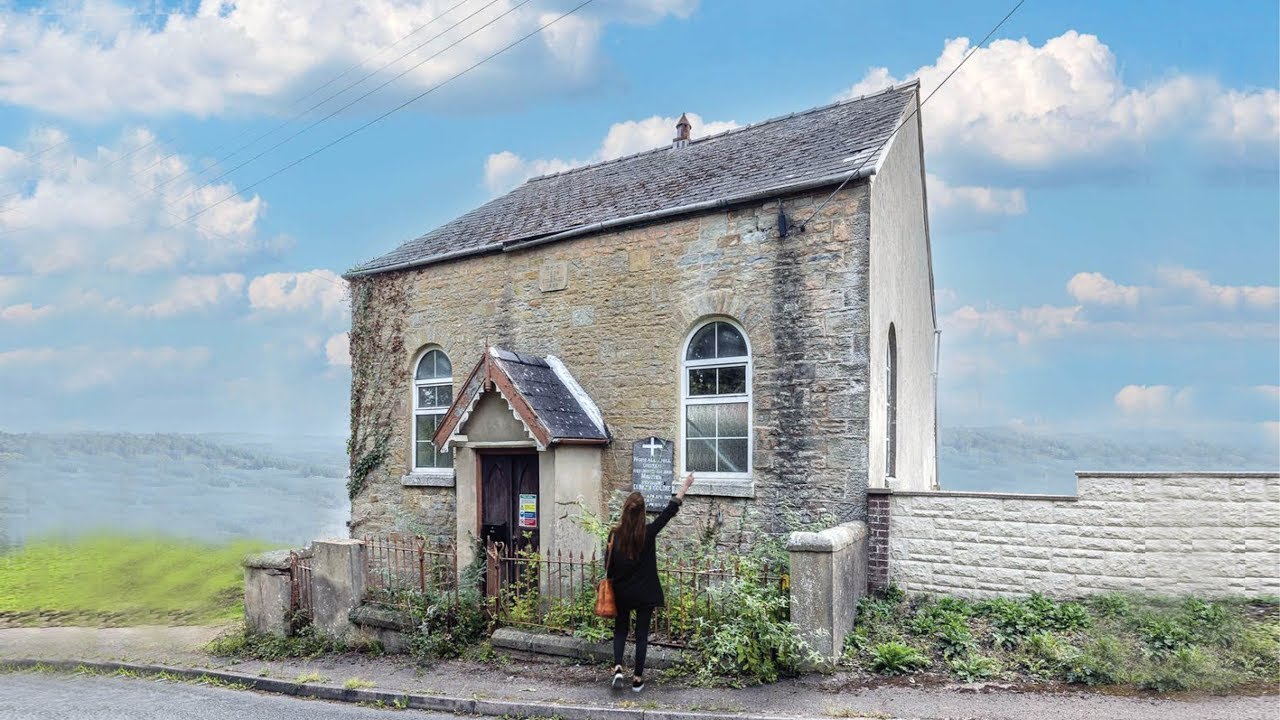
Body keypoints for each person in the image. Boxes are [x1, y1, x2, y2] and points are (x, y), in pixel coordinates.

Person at [605, 471, 696, 692]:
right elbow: (669, 511)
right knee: (642, 635)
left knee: (620, 630)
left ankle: (618, 668)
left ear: (625, 511)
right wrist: (684, 487)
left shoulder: (614, 535)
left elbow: (608, 565)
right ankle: (637, 678)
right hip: (645, 592)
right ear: (643, 512)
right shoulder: (649, 533)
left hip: (622, 591)